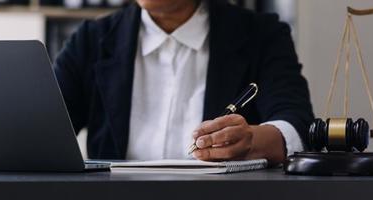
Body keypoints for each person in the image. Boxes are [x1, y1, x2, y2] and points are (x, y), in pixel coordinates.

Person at [53, 0, 314, 165]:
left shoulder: (262, 35)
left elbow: (297, 126)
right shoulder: (90, 41)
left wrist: (251, 141)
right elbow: (43, 131)